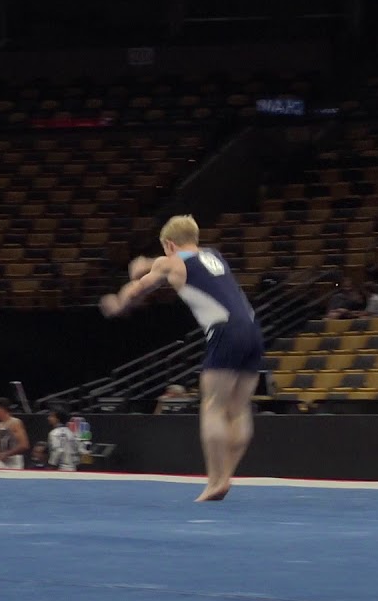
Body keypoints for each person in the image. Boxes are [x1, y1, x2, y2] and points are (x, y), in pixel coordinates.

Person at [101, 214, 263, 502]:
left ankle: (215, 480)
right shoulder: (215, 256)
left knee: (213, 406)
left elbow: (140, 288)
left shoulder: (169, 261)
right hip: (253, 329)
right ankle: (225, 476)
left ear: (168, 244)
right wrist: (149, 264)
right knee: (238, 409)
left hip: (224, 329)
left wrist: (119, 302)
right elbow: (181, 260)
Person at [0, 397, 29, 470]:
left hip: (14, 460)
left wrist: (7, 454)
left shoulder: (15, 423)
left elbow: (24, 445)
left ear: (2, 409)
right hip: (0, 460)